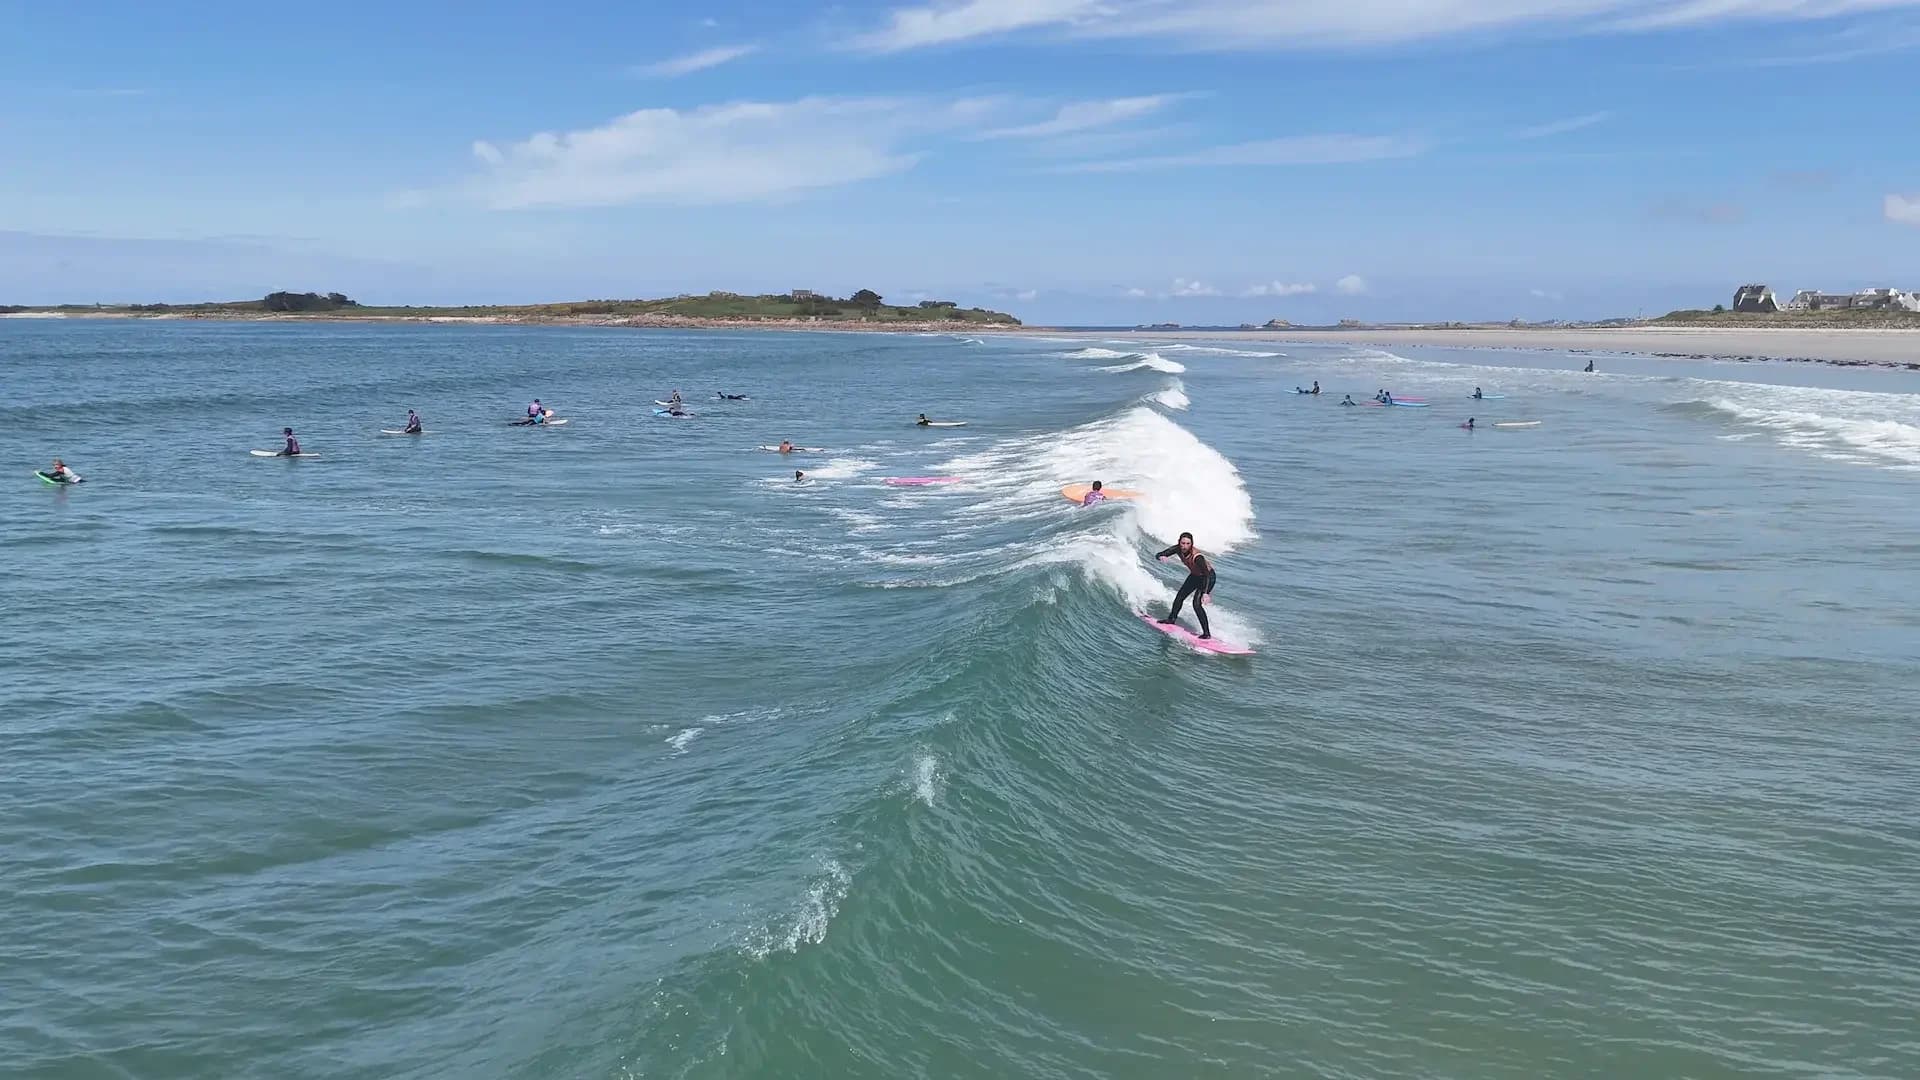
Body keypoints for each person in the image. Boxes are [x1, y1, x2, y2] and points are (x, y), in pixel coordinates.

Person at [1155, 532, 1215, 639]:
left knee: (1196, 604)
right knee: (1180, 597)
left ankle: (1207, 634)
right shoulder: (1178, 549)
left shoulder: (1198, 557)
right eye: (1183, 543)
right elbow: (1161, 553)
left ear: (1191, 544)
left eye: (1188, 543)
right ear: (1179, 542)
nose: (1185, 546)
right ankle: (1171, 619)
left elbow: (1206, 574)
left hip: (1207, 578)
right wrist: (1160, 557)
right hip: (1195, 575)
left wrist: (1205, 593)